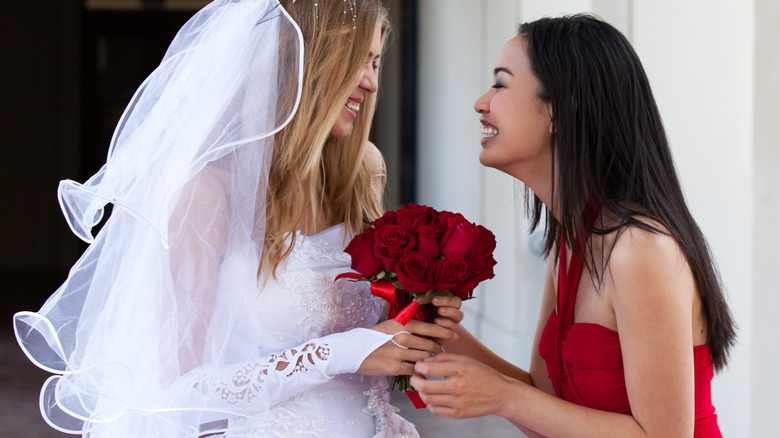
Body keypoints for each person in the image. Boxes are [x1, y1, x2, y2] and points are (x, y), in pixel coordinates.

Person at [13, 1, 461, 437]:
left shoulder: (362, 171)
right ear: (306, 58)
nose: (371, 83)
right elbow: (181, 394)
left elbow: (377, 322)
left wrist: (424, 310)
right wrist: (340, 352)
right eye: (358, 61)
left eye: (376, 63)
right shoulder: (208, 191)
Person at [412, 14, 736, 438]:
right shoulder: (571, 241)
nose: (482, 103)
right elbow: (546, 405)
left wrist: (504, 397)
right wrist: (439, 331)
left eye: (501, 84)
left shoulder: (639, 249)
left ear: (563, 109)